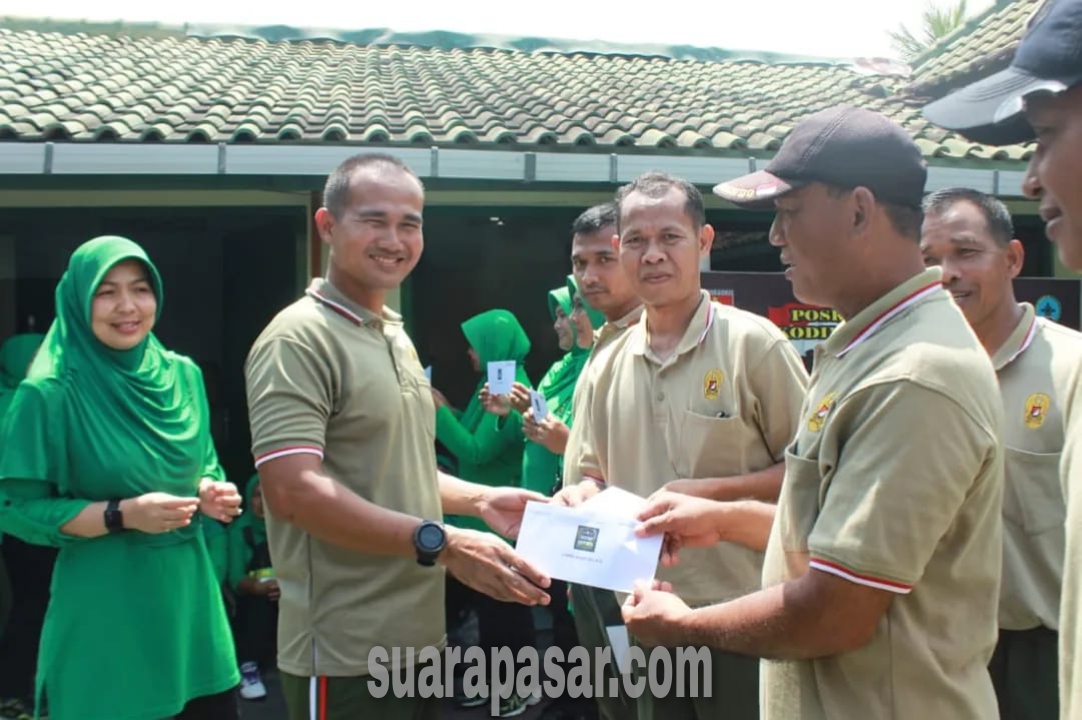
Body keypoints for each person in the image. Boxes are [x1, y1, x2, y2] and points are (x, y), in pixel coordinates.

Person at [628, 106, 1005, 720]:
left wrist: (685, 627)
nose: (775, 237)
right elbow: (830, 533)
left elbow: (836, 610)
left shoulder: (915, 374)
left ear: (859, 210)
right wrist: (725, 519)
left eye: (789, 213)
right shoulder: (870, 347)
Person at [244, 153, 550, 720]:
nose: (395, 239)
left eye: (410, 223)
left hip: (420, 640)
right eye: (374, 220)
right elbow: (293, 492)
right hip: (342, 651)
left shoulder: (394, 336)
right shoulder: (299, 339)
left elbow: (400, 469)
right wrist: (446, 543)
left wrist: (479, 501)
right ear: (328, 226)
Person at [570, 172, 808, 720]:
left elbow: (810, 479)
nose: (652, 255)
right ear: (619, 248)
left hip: (745, 615)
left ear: (703, 243)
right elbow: (592, 474)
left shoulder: (754, 345)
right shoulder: (605, 361)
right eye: (636, 240)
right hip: (644, 611)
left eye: (670, 237)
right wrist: (577, 498)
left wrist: (708, 496)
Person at [0, 235, 244, 720]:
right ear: (77, 300)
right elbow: (17, 510)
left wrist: (208, 490)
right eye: (106, 292)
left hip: (191, 612)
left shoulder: (183, 374)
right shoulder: (48, 392)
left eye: (140, 288)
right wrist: (121, 514)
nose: (127, 306)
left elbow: (203, 463)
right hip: (107, 614)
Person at [922, 5, 1082, 716]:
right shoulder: (920, 382)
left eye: (1045, 136)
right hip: (951, 649)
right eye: (930, 261)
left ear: (1013, 259)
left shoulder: (1071, 370)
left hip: (1047, 652)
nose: (947, 275)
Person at [553, 202, 642, 720]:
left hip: (635, 563)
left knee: (641, 694)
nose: (588, 276)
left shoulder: (653, 341)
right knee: (612, 692)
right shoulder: (601, 344)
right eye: (579, 263)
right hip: (590, 558)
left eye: (604, 259)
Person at [434, 307, 539, 716]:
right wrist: (451, 410)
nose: (468, 352)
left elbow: (475, 450)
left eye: (474, 344)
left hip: (501, 516)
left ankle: (519, 689)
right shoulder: (493, 383)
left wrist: (436, 414)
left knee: (506, 612)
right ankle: (493, 683)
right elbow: (477, 434)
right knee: (488, 610)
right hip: (480, 517)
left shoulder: (515, 390)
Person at [0, 333, 44, 720]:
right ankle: (15, 692)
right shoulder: (16, 405)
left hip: (41, 522)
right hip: (22, 523)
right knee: (33, 606)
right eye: (33, 355)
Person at [227, 473, 278, 703]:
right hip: (253, 596)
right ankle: (249, 668)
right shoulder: (240, 530)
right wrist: (257, 588)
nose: (262, 502)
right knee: (257, 608)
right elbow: (236, 577)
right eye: (258, 495)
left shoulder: (288, 528)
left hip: (286, 593)